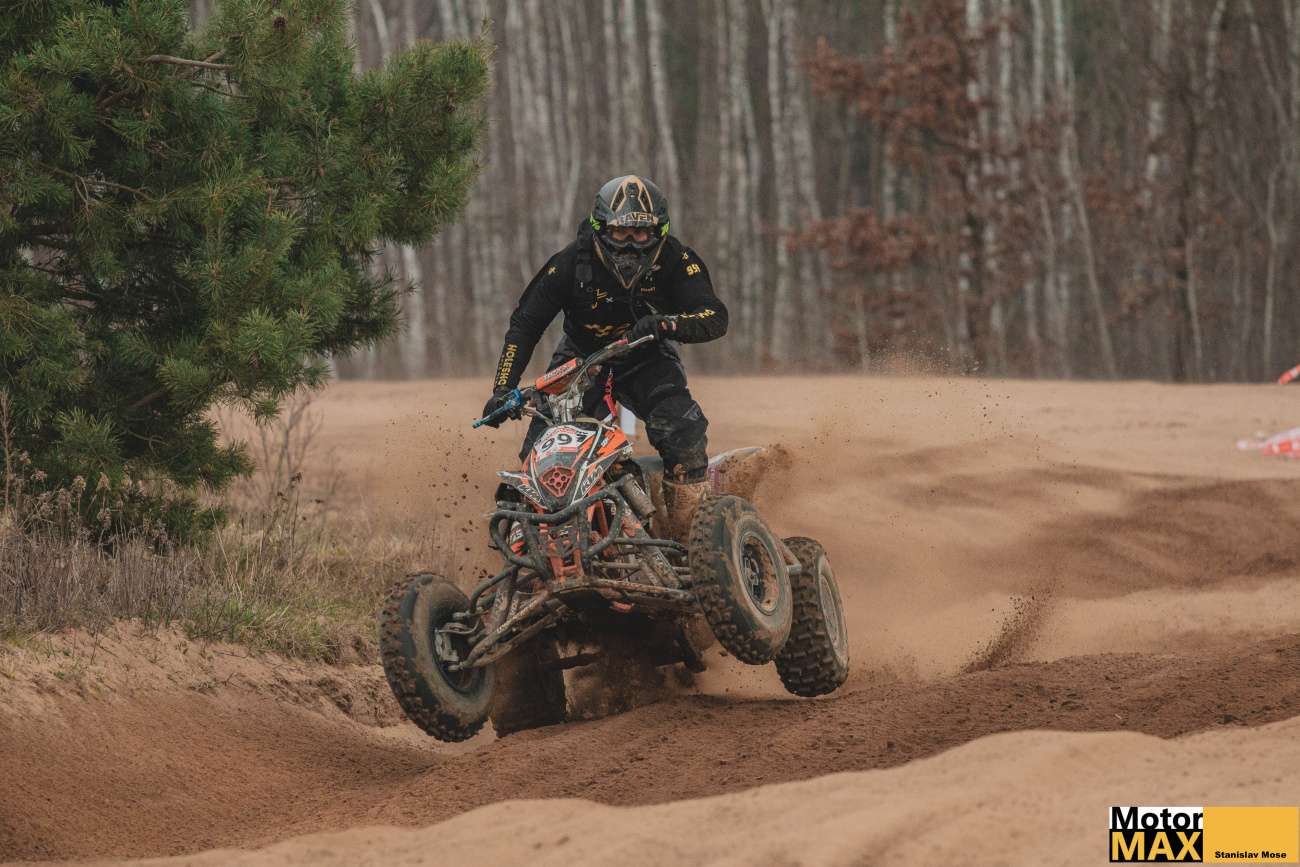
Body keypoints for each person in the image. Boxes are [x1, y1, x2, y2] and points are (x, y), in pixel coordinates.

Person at [481, 175, 728, 540]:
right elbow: (525, 325)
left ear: (659, 232)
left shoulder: (676, 259)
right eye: (620, 233)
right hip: (581, 359)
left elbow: (714, 317)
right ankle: (532, 541)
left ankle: (690, 532)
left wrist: (665, 325)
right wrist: (503, 387)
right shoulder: (568, 263)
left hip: (647, 355)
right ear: (600, 229)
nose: (630, 245)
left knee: (682, 429)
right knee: (542, 451)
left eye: (641, 234)